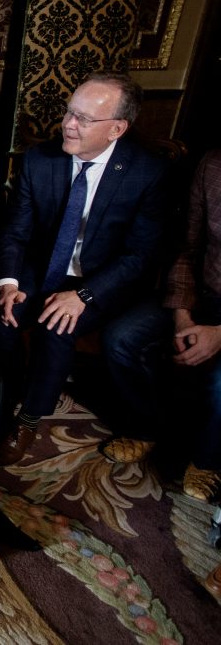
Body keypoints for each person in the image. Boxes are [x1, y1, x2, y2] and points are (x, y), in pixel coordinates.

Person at [0, 72, 171, 466]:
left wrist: (84, 296)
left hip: (102, 279)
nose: (68, 125)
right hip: (45, 265)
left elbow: (141, 256)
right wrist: (8, 283)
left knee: (59, 323)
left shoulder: (147, 173)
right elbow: (15, 233)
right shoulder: (41, 160)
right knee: (4, 319)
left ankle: (29, 418)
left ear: (116, 129)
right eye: (69, 113)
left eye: (84, 119)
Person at [98, 149, 221, 501]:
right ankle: (144, 427)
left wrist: (219, 335)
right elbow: (187, 247)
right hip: (201, 294)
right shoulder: (212, 164)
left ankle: (208, 461)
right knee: (121, 338)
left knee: (219, 382)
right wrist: (183, 312)